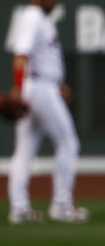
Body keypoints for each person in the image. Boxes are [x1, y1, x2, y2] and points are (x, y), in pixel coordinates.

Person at [7, 0, 85, 224]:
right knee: (68, 142)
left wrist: (56, 84)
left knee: (25, 149)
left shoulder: (40, 18)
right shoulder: (32, 16)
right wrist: (19, 91)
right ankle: (61, 205)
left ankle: (19, 208)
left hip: (41, 85)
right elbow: (22, 55)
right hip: (39, 88)